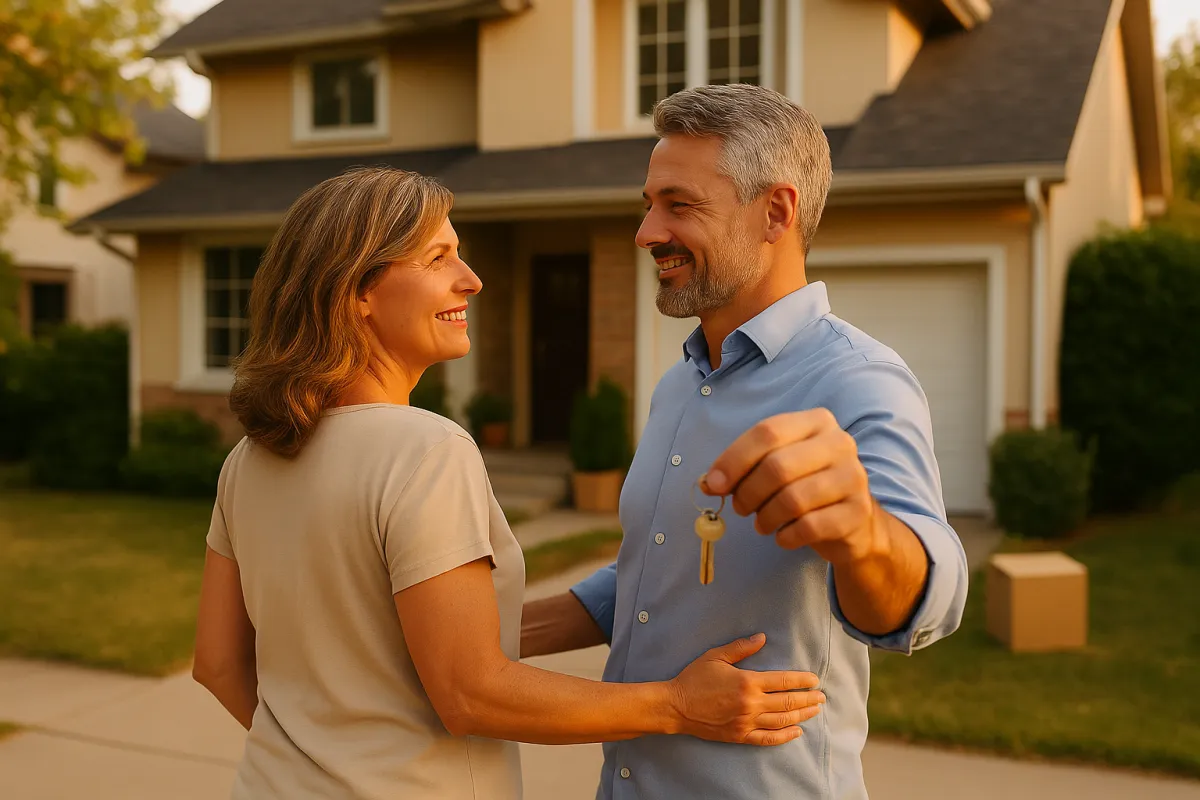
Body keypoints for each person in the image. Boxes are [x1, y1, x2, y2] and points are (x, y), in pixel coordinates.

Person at [190, 165, 828, 800]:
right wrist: (677, 706)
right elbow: (473, 692)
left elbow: (217, 664)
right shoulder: (424, 450)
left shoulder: (248, 461)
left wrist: (317, 759)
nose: (471, 280)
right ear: (357, 290)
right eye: (439, 257)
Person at [520, 84, 970, 799]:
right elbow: (652, 578)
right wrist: (485, 637)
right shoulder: (681, 381)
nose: (646, 232)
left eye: (679, 204)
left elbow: (933, 600)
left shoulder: (860, 380)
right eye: (649, 204)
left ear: (776, 212)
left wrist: (864, 534)